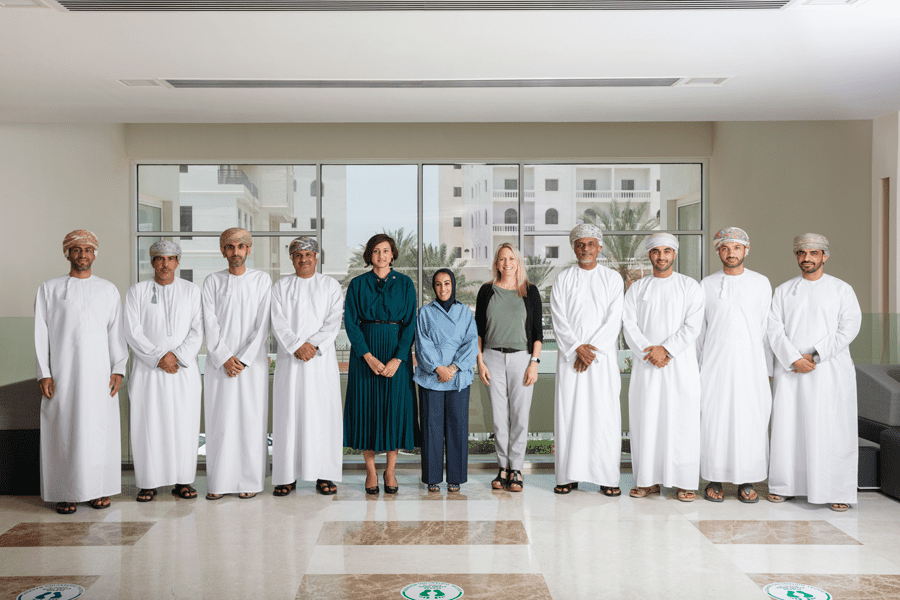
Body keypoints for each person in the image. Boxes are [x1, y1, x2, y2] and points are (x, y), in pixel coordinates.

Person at [34, 230, 128, 514]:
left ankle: (99, 490)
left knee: (99, 432)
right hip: (64, 375)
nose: (82, 255)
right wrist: (44, 373)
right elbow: (41, 333)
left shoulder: (108, 289)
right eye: (76, 250)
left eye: (88, 250)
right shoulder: (50, 289)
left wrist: (119, 368)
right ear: (67, 253)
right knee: (65, 431)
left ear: (95, 254)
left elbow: (116, 333)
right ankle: (66, 492)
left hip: (100, 375)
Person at [767, 233, 861, 512]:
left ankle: (837, 489)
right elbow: (774, 329)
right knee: (789, 427)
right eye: (801, 253)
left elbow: (849, 327)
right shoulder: (784, 291)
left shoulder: (842, 290)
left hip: (830, 371)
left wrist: (817, 354)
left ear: (824, 256)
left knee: (834, 429)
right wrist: (794, 358)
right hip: (792, 372)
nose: (806, 258)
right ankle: (786, 486)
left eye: (813, 253)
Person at [622, 233, 704, 502]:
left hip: (680, 366)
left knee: (682, 422)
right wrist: (650, 351)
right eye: (656, 251)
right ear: (650, 255)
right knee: (647, 421)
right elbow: (629, 325)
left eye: (667, 251)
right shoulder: (638, 289)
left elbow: (693, 326)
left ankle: (684, 482)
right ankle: (648, 481)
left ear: (674, 254)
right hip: (647, 367)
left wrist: (666, 350)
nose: (661, 256)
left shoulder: (690, 287)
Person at [698, 227, 773, 503]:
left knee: (749, 422)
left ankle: (746, 481)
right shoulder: (706, 285)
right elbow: (700, 333)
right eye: (725, 248)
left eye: (737, 248)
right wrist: (698, 370)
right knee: (715, 421)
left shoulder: (761, 283)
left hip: (751, 367)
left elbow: (766, 330)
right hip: (714, 367)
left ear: (746, 250)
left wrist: (767, 370)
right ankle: (713, 479)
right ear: (718, 251)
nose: (731, 253)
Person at [124, 240, 203, 502]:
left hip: (183, 370)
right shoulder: (137, 291)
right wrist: (159, 356)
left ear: (178, 262)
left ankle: (183, 481)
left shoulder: (192, 291)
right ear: (151, 261)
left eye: (170, 259)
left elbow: (197, 329)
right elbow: (132, 330)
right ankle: (148, 482)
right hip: (149, 371)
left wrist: (177, 356)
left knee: (184, 424)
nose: (165, 264)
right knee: (148, 423)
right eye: (159, 258)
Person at [550, 224, 624, 496]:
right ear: (573, 247)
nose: (586, 249)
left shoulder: (613, 279)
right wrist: (575, 348)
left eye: (591, 244)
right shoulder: (563, 279)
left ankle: (607, 477)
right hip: (572, 362)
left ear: (599, 247)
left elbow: (614, 318)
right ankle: (568, 476)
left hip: (601, 362)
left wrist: (589, 351)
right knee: (570, 415)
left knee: (603, 415)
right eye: (580, 244)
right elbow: (558, 319)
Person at [343, 233, 418, 495]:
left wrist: (398, 358)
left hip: (397, 354)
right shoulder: (357, 284)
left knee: (394, 410)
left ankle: (390, 471)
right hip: (365, 355)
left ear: (393, 254)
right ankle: (371, 472)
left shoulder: (406, 284)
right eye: (376, 251)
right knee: (367, 410)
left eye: (386, 251)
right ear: (369, 255)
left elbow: (410, 324)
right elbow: (351, 324)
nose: (381, 256)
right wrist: (368, 356)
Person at [201, 228, 272, 500]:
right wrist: (224, 357)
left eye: (241, 246)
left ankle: (249, 482)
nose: (235, 251)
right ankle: (219, 483)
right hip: (220, 366)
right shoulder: (212, 281)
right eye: (229, 247)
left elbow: (263, 324)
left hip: (251, 366)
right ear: (222, 251)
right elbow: (210, 323)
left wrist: (242, 358)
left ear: (249, 250)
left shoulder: (262, 280)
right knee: (220, 422)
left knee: (251, 422)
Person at [270, 236, 344, 496]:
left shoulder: (330, 285)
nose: (303, 259)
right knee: (288, 417)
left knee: (323, 417)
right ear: (291, 258)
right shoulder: (280, 287)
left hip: (320, 363)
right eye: (298, 255)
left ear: (316, 258)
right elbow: (277, 322)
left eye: (308, 255)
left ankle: (324, 474)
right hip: (291, 363)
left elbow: (334, 321)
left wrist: (312, 345)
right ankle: (286, 476)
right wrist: (296, 345)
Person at [476, 243, 543, 492]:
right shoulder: (486, 291)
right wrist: (480, 360)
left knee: (520, 417)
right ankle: (502, 468)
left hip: (522, 359)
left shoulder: (530, 291)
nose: (507, 263)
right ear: (496, 263)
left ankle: (516, 469)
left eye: (511, 259)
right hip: (492, 358)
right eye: (502, 259)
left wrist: (534, 364)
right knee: (498, 418)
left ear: (518, 263)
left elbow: (538, 332)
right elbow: (479, 330)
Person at [414, 269, 478, 493]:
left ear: (453, 285)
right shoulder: (424, 312)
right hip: (431, 377)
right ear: (434, 287)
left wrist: (452, 368)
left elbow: (471, 343)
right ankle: (432, 477)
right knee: (431, 429)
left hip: (458, 377)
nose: (443, 289)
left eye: (447, 284)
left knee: (457, 428)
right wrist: (438, 368)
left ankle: (456, 478)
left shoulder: (465, 312)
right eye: (439, 284)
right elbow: (422, 344)